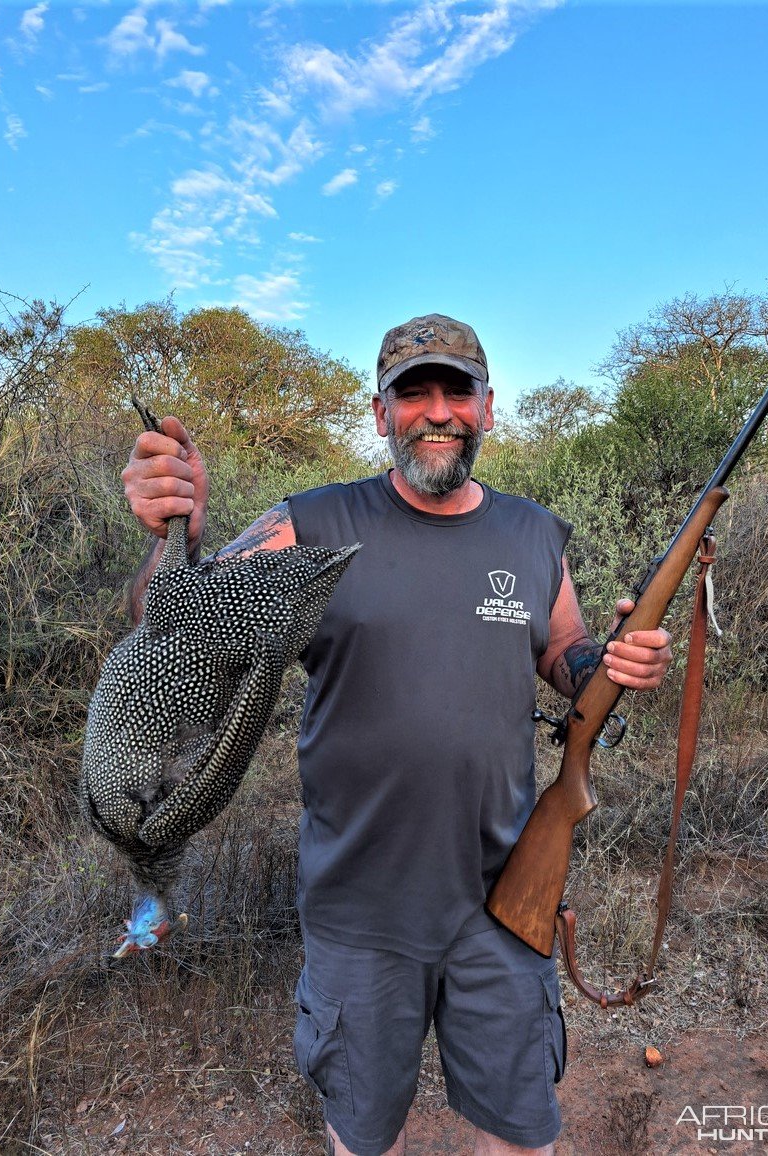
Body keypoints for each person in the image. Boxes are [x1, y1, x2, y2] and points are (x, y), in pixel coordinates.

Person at [122, 314, 672, 1156]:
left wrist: (613, 663)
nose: (437, 411)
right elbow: (180, 631)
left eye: (457, 391)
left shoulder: (532, 534)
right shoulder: (309, 527)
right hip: (359, 910)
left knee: (523, 1135)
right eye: (412, 393)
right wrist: (177, 538)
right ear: (379, 413)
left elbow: (564, 651)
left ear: (489, 408)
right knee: (361, 1137)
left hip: (503, 900)